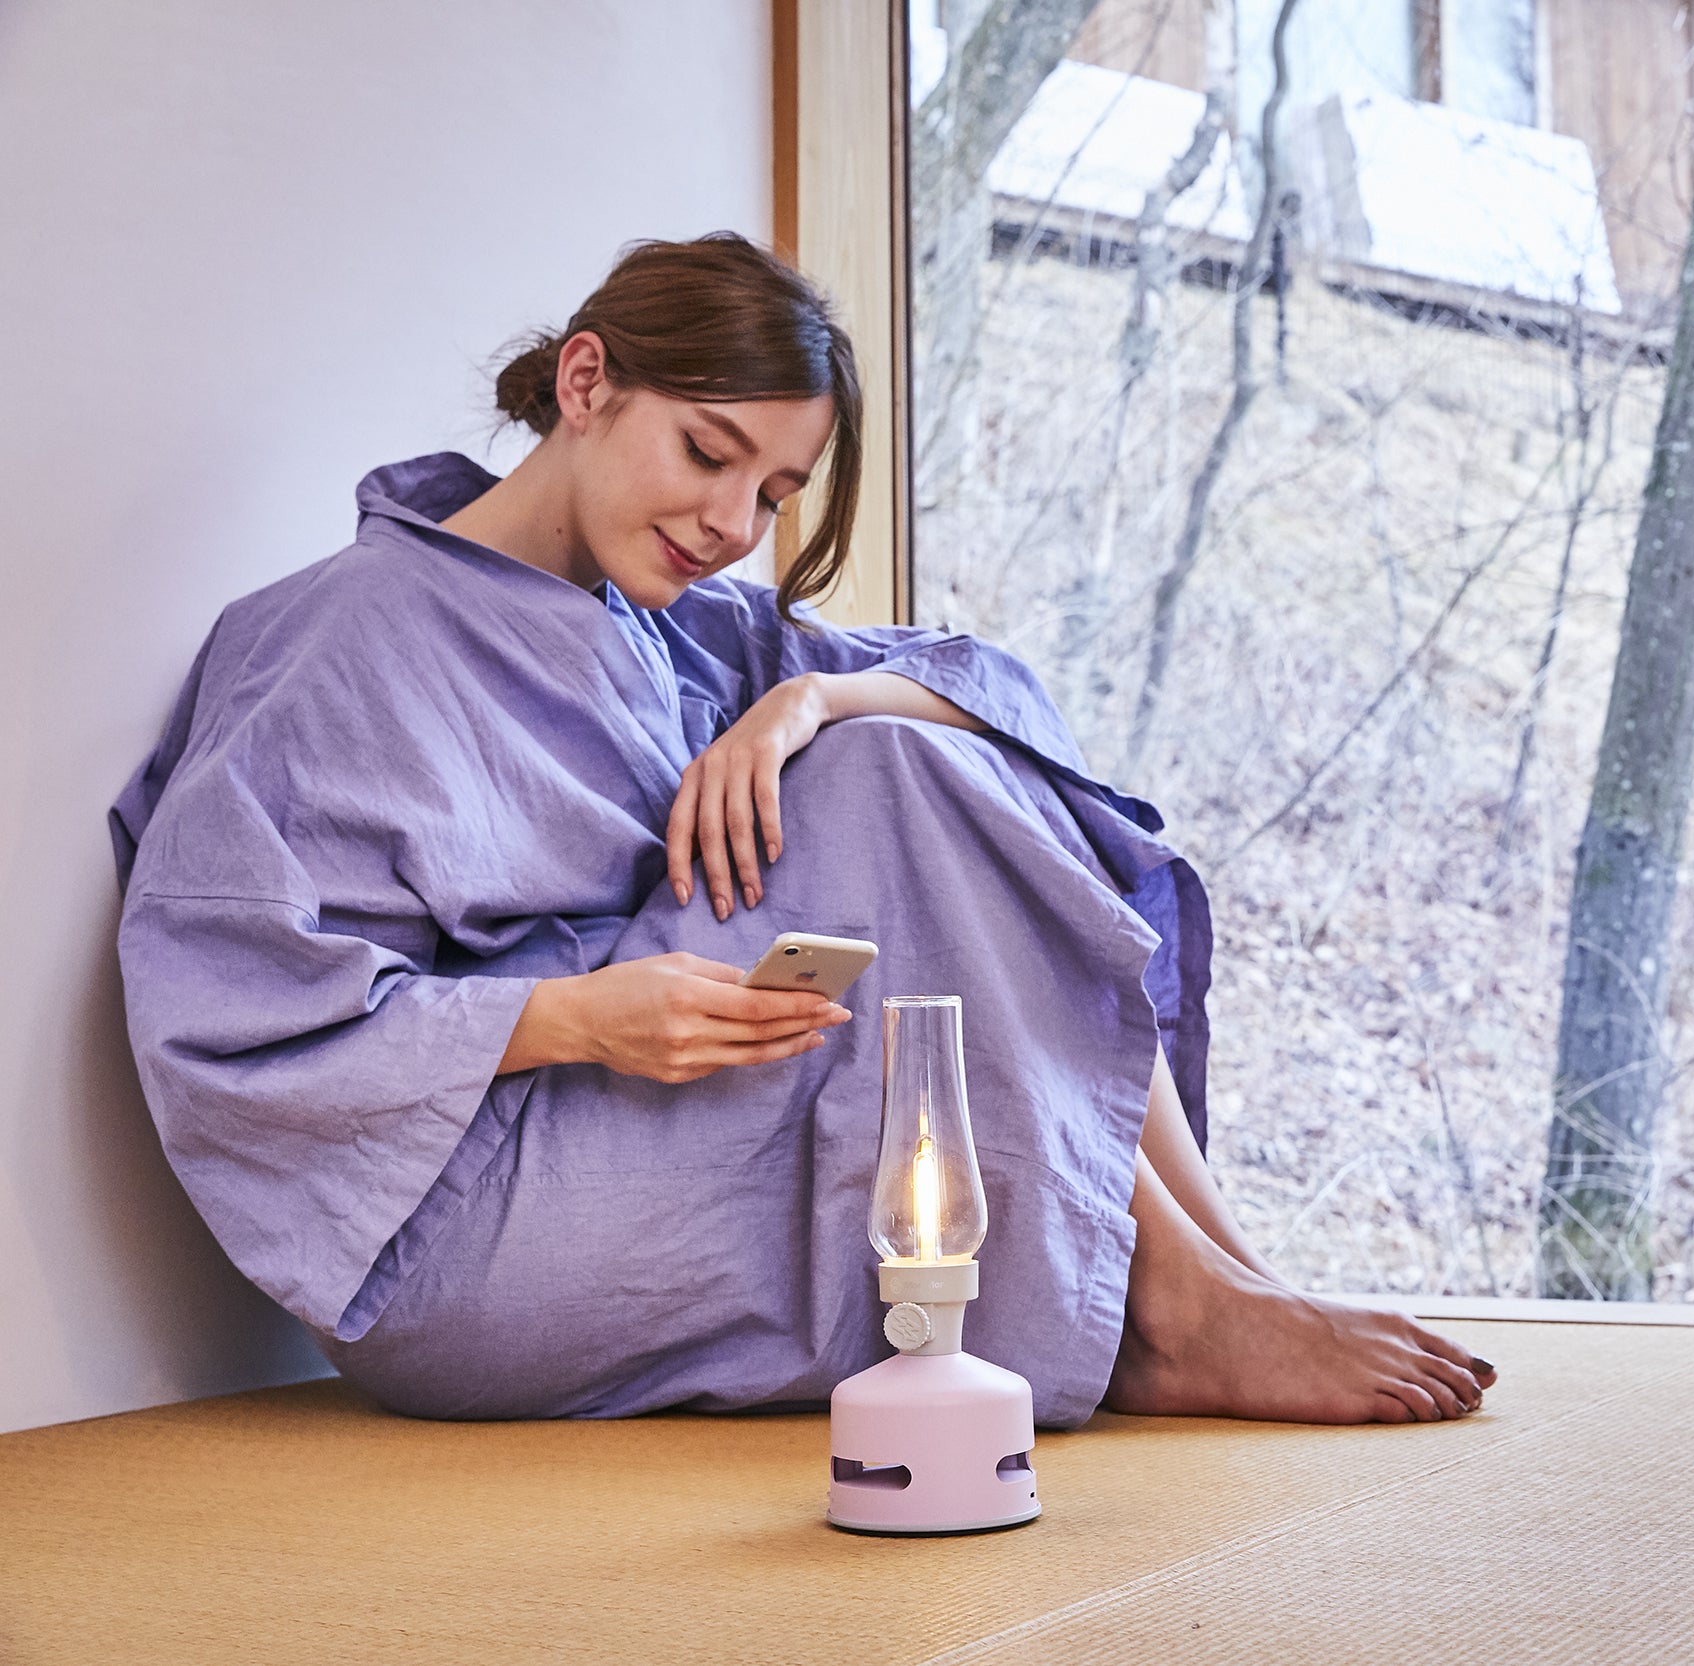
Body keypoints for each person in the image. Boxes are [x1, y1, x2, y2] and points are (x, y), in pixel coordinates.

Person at [112, 233, 1495, 1427]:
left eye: (774, 494)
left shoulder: (675, 626)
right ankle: (1180, 1304)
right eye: (707, 454)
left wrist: (804, 703)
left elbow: (989, 703)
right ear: (585, 383)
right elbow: (228, 1015)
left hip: (650, 1125)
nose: (732, 523)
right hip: (456, 1223)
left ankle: (1222, 1274)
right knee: (893, 787)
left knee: (899, 759)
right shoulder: (331, 643)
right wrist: (574, 1017)